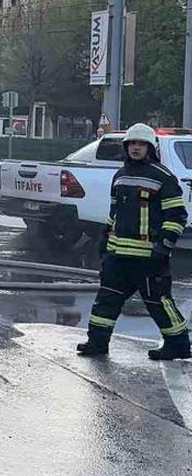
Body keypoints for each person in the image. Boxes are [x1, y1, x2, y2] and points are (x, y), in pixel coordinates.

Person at [78, 123, 189, 360]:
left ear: (150, 148)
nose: (136, 148)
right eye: (132, 144)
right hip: (118, 256)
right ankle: (97, 343)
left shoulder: (163, 177)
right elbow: (114, 212)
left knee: (158, 302)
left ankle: (178, 345)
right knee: (106, 300)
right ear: (126, 147)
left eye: (141, 144)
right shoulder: (120, 176)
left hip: (149, 257)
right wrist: (104, 241)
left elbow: (177, 216)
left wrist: (163, 247)